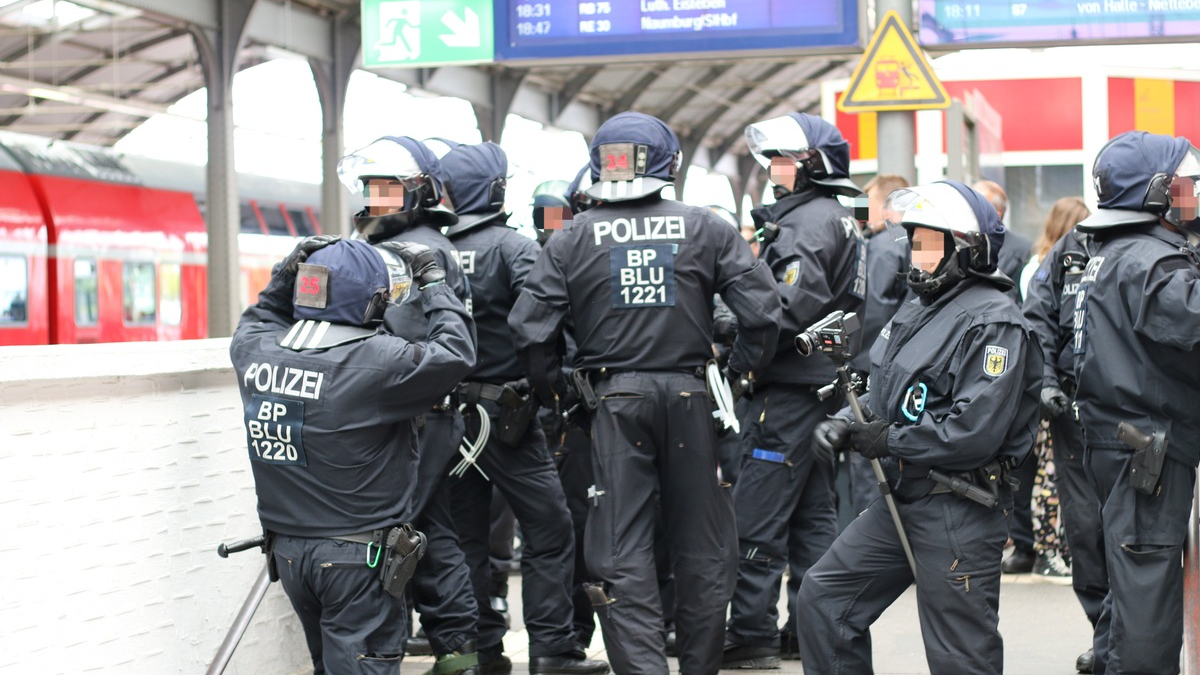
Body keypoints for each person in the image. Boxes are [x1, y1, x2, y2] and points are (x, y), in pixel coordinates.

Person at [509, 111, 781, 675]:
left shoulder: (570, 237)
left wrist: (561, 395)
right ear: (670, 164)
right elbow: (763, 314)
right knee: (703, 543)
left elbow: (532, 333)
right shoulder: (707, 227)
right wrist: (734, 377)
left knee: (620, 547)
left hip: (613, 403)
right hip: (691, 398)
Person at [799, 180, 1042, 675]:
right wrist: (846, 421)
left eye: (931, 243)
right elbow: (887, 385)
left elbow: (974, 430)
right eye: (914, 242)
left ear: (966, 248)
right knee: (824, 597)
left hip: (958, 506)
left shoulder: (995, 322)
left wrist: (890, 438)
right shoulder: (920, 307)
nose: (918, 254)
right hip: (903, 495)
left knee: (959, 655)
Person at [229, 236, 476, 675]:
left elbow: (262, 314)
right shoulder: (378, 362)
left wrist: (287, 272)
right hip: (357, 561)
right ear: (374, 302)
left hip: (289, 553)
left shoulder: (255, 350)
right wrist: (434, 283)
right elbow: (456, 354)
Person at [440, 142, 609, 675]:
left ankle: (477, 653)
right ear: (494, 191)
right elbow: (543, 326)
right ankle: (552, 648)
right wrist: (552, 392)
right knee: (551, 529)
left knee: (465, 538)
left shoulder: (431, 250)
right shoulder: (515, 249)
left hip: (447, 417)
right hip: (507, 416)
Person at [723, 112, 867, 667]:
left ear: (813, 165)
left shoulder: (807, 222)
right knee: (812, 518)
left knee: (757, 515)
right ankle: (809, 630)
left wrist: (731, 339)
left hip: (784, 390)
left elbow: (783, 308)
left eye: (783, 161)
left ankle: (751, 633)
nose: (773, 170)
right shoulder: (837, 217)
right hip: (818, 388)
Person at [337, 135, 482, 670]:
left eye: (388, 189)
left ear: (417, 191)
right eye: (370, 189)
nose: (376, 200)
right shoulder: (428, 243)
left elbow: (381, 339)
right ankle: (458, 657)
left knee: (391, 539)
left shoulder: (406, 251)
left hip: (410, 419)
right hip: (432, 414)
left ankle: (391, 654)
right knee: (433, 533)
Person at [1071, 130, 1200, 675]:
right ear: (1156, 193)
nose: (1193, 194)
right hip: (1148, 451)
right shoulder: (1152, 262)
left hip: (1121, 444)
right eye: (1186, 185)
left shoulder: (1115, 253)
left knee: (1128, 588)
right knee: (1147, 598)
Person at [1021, 196, 1105, 674]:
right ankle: (1105, 633)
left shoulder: (1146, 243)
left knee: (1131, 538)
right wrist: (1047, 383)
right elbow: (1038, 321)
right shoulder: (1069, 250)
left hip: (1132, 415)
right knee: (1086, 533)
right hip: (1072, 415)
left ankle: (1125, 640)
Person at [972, 178, 1039, 576]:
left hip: (1007, 354)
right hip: (980, 355)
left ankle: (1022, 541)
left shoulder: (1021, 247)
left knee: (1015, 460)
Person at [845, 173, 912, 517]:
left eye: (866, 202)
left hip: (876, 370)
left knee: (867, 470)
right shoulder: (916, 243)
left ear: (885, 206)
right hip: (910, 370)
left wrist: (854, 361)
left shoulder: (883, 246)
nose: (860, 210)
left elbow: (871, 312)